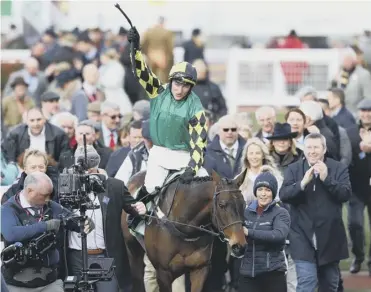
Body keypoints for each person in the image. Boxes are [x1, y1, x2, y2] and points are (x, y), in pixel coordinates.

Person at [127, 26, 209, 199]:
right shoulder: (158, 91)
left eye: (185, 86)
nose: (180, 90)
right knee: (149, 190)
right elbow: (142, 73)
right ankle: (139, 221)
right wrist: (135, 48)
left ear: (191, 87)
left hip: (185, 156)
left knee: (207, 190)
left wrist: (192, 168)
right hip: (160, 153)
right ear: (171, 81)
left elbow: (199, 143)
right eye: (177, 84)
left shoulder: (196, 108)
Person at [280, 133, 351, 292]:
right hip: (302, 236)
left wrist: (327, 179)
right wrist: (302, 184)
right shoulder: (294, 169)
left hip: (330, 236)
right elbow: (284, 195)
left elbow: (345, 194)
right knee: (307, 282)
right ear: (304, 149)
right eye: (309, 147)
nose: (312, 151)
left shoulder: (338, 168)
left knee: (330, 284)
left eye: (316, 147)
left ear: (324, 149)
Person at [1, 172, 94, 292]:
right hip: (17, 284)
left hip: (50, 282)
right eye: (44, 195)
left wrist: (85, 222)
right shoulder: (8, 209)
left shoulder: (51, 206)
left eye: (50, 195)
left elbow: (72, 221)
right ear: (30, 191)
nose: (47, 199)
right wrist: (45, 226)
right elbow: (11, 234)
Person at [239, 168, 290, 292]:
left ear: (273, 192)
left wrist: (249, 232)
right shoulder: (245, 212)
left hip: (272, 274)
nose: (263, 193)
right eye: (260, 189)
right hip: (248, 274)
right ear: (255, 191)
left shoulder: (281, 213)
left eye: (267, 190)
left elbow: (278, 235)